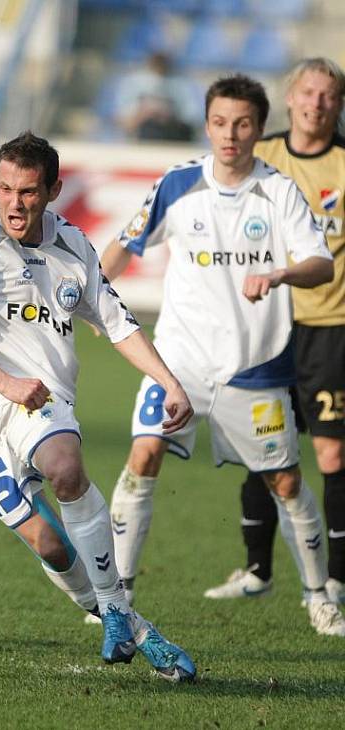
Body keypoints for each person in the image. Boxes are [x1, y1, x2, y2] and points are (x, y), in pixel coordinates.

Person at [0, 131, 196, 682]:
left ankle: (117, 608)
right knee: (49, 543)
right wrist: (4, 383)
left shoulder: (74, 245)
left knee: (65, 470)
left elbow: (118, 325)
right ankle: (135, 628)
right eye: (4, 188)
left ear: (53, 190)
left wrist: (170, 382)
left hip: (40, 395)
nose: (14, 204)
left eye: (28, 192)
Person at [100, 74, 345, 637]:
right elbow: (124, 245)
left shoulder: (280, 192)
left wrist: (281, 271)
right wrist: (89, 297)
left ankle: (317, 594)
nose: (229, 135)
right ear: (206, 124)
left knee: (284, 482)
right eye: (219, 122)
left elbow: (322, 264)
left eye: (241, 124)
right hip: (179, 362)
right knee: (143, 457)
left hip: (254, 367)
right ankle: (118, 599)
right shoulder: (178, 184)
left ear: (259, 129)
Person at [204, 58, 345, 607]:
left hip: (331, 329)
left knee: (331, 455)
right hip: (268, 330)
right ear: (289, 99)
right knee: (262, 450)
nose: (317, 103)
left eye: (328, 95)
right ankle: (257, 569)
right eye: (308, 93)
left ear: (338, 103)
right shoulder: (264, 157)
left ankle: (335, 580)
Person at [114, 52, 200, 143]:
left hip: (173, 138)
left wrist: (168, 114)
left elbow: (193, 122)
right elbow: (123, 122)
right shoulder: (133, 83)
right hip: (142, 138)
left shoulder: (181, 84)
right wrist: (145, 113)